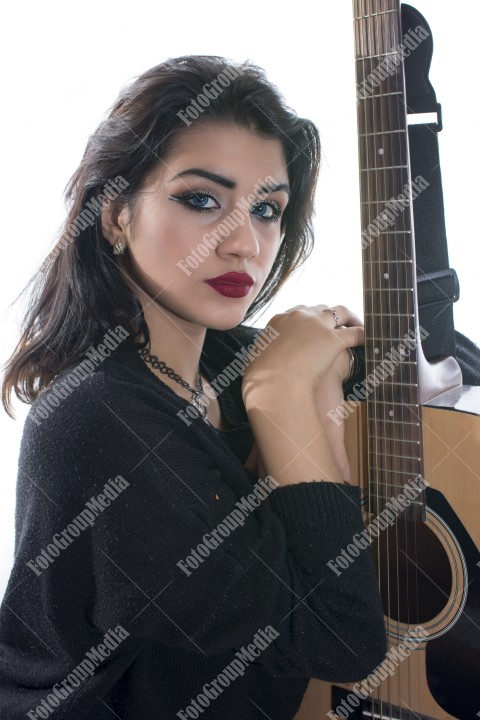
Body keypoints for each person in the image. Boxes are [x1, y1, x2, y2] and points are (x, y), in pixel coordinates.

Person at [0, 55, 387, 719]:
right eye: (202, 200)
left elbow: (410, 402)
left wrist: (326, 362)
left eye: (267, 208)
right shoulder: (96, 414)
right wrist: (284, 397)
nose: (245, 244)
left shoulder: (232, 362)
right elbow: (342, 640)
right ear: (117, 215)